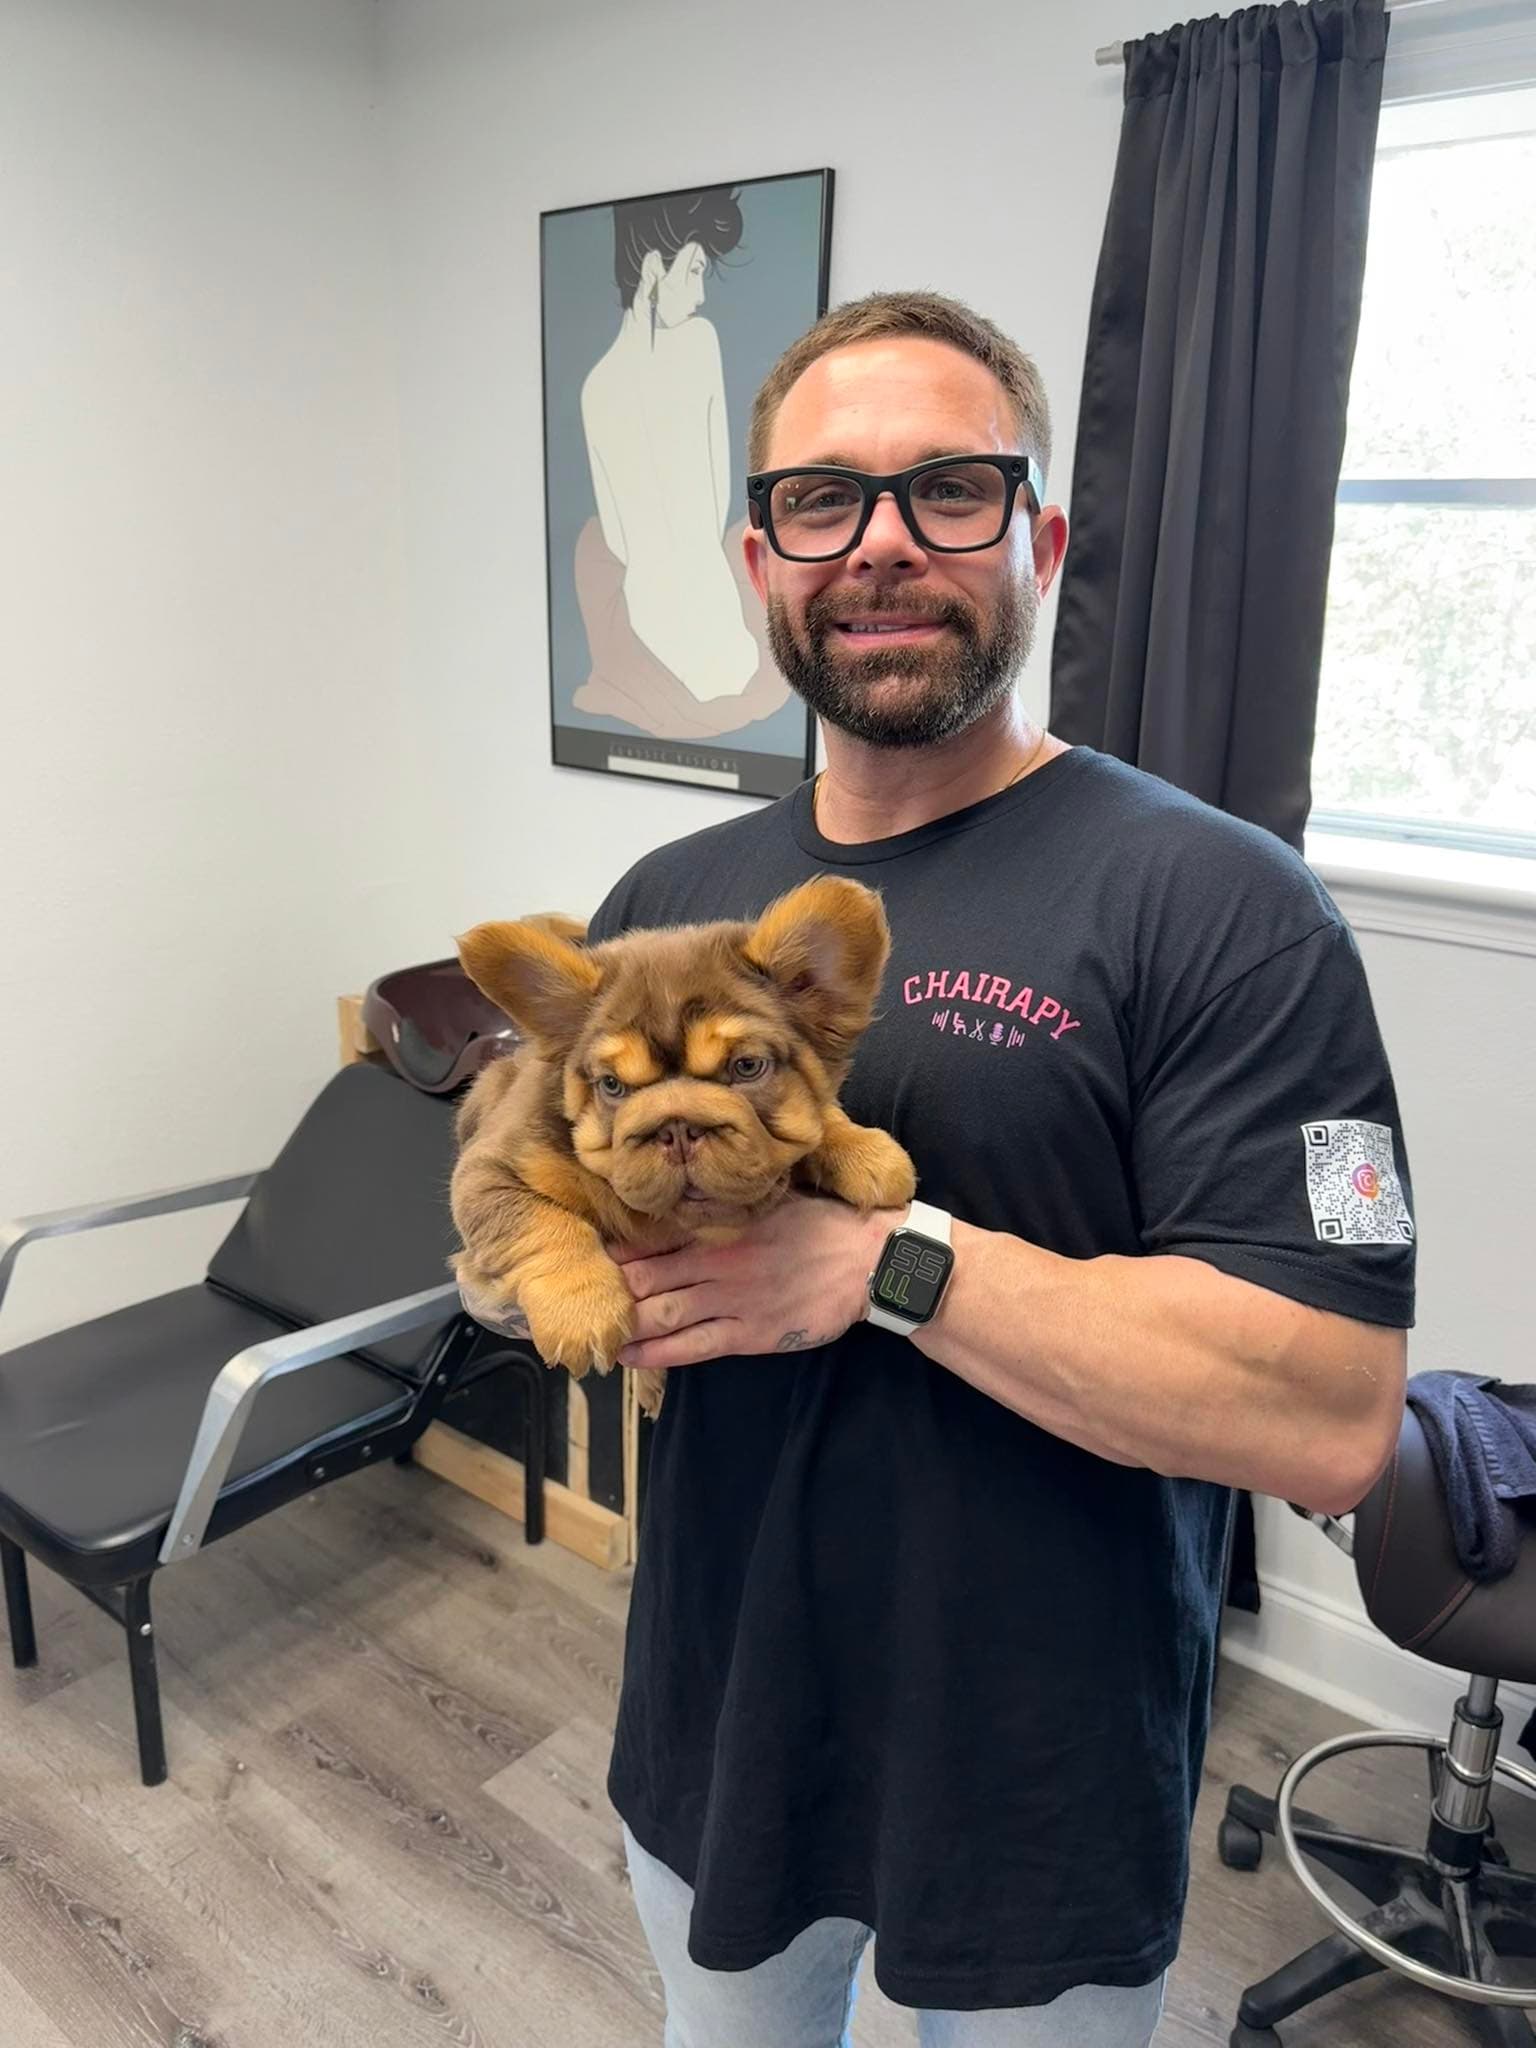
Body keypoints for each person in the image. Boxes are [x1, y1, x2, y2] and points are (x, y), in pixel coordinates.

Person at [565, 291, 1416, 2045]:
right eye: (823, 502)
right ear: (755, 557)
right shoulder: (662, 900)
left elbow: (1331, 1409)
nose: (881, 547)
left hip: (1043, 1772)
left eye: (947, 490)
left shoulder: (1227, 906)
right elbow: (564, 1252)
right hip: (724, 1719)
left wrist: (880, 1259)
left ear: (1038, 536)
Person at [578, 187, 763, 707]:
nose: (701, 294)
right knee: (735, 675)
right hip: (704, 596)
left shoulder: (597, 386)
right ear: (656, 266)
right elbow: (718, 495)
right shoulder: (699, 344)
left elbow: (618, 537)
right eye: (697, 269)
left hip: (649, 607)